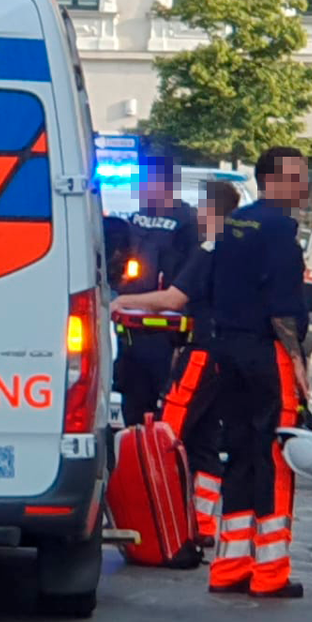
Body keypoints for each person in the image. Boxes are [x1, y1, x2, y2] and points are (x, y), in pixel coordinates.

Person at [206, 147, 311, 599]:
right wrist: (298, 361)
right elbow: (283, 307)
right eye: (296, 176)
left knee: (240, 452)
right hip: (265, 353)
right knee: (273, 457)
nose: (303, 185)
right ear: (271, 179)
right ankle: (270, 573)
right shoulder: (279, 230)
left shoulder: (234, 224)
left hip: (226, 348)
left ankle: (230, 566)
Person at [110, 179, 239, 548]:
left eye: (202, 208)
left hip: (202, 351)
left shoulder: (210, 248)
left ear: (213, 211)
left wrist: (123, 303)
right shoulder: (238, 248)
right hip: (227, 353)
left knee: (169, 434)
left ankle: (164, 520)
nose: (196, 214)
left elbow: (175, 297)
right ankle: (203, 523)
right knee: (205, 439)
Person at [112, 152, 200, 428]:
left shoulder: (189, 224)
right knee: (132, 417)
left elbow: (183, 292)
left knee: (164, 422)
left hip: (167, 339)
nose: (138, 189)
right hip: (130, 337)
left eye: (143, 181)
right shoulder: (135, 219)